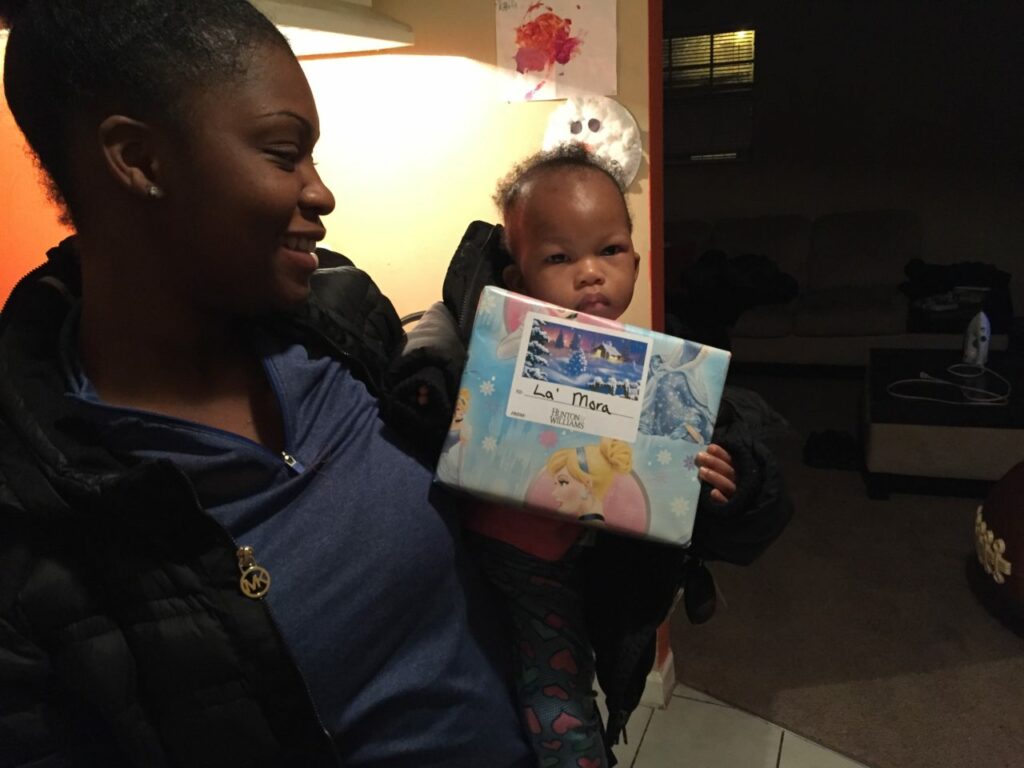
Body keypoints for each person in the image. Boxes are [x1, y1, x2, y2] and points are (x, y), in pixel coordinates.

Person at [0, 2, 535, 766]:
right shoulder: (30, 520)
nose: (320, 195)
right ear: (138, 159)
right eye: (285, 154)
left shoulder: (343, 318)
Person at [392, 144, 755, 766]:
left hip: (590, 545)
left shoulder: (655, 365)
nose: (591, 273)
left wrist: (724, 471)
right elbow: (439, 359)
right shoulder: (500, 339)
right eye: (560, 258)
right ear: (518, 279)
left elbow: (681, 461)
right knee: (553, 683)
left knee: (571, 665)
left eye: (610, 250)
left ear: (637, 262)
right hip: (518, 544)